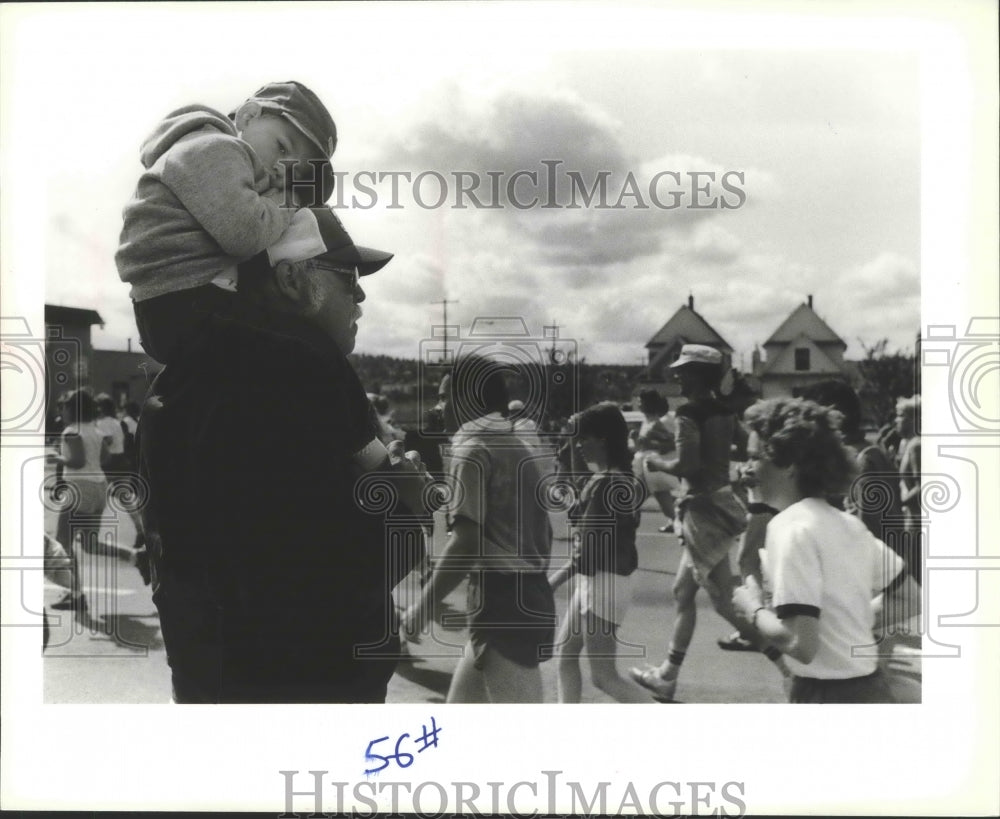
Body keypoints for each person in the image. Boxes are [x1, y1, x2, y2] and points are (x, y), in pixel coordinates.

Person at [137, 207, 431, 703]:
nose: (359, 293)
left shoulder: (180, 373)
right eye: (347, 276)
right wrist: (409, 510)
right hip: (307, 684)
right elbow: (342, 572)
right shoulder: (303, 365)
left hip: (209, 677)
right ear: (292, 278)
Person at [116, 81, 338, 365]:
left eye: (296, 170)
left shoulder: (206, 150)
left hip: (175, 303)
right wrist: (288, 201)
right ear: (247, 117)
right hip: (183, 301)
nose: (283, 172)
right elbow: (245, 233)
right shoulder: (214, 148)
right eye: (282, 148)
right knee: (308, 354)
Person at [731, 397, 920, 703]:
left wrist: (752, 609)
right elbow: (910, 598)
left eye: (755, 457)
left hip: (824, 693)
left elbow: (799, 644)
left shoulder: (789, 528)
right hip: (870, 688)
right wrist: (847, 622)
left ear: (788, 464)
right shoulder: (847, 524)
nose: (747, 467)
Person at [629, 345, 786, 701]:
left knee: (724, 601)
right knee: (683, 592)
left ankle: (788, 666)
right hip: (722, 502)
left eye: (684, 371)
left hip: (701, 511)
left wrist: (656, 463)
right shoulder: (725, 412)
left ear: (700, 375)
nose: (677, 376)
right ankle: (667, 675)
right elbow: (745, 446)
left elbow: (687, 466)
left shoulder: (688, 413)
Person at [401, 361, 556, 702]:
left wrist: (422, 608)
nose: (438, 408)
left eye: (445, 397)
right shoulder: (515, 444)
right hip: (525, 594)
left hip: (501, 600)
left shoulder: (471, 447)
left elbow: (465, 544)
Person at [549, 403, 648, 703]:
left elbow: (587, 554)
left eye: (583, 438)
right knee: (565, 656)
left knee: (604, 677)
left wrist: (549, 583)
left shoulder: (606, 483)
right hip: (601, 582)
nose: (577, 446)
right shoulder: (616, 478)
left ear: (603, 438)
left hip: (602, 583)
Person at [47, 389, 108, 614]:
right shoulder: (96, 430)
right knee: (90, 544)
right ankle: (135, 556)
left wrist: (57, 457)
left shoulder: (71, 431)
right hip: (99, 486)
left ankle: (76, 594)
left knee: (63, 542)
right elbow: (106, 458)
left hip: (79, 488)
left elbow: (77, 461)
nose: (61, 411)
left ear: (72, 409)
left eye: (64, 406)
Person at [94, 393, 147, 557]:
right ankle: (141, 529)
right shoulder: (117, 422)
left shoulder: (103, 423)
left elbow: (106, 442)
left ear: (101, 408)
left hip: (109, 464)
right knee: (125, 498)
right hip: (121, 462)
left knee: (100, 499)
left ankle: (90, 531)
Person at [630, 389, 678, 533]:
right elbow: (642, 447)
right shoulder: (647, 421)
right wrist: (635, 439)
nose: (639, 405)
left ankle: (684, 526)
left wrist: (652, 444)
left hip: (653, 469)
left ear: (648, 403)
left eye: (641, 402)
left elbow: (672, 443)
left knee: (634, 500)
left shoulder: (657, 423)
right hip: (644, 468)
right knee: (634, 500)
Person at [896, 396, 922, 584]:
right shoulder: (908, 444)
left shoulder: (917, 446)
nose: (896, 420)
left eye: (900, 416)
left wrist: (898, 503)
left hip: (917, 522)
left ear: (916, 419)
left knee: (915, 577)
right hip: (912, 519)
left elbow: (923, 486)